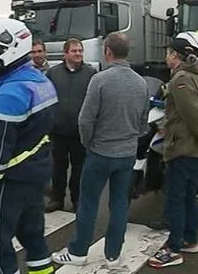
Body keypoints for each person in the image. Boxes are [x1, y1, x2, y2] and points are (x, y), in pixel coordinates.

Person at [0, 17, 58, 274]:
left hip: (10, 183)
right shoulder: (41, 81)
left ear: (9, 50)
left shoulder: (10, 93)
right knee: (34, 239)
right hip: (35, 175)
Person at [52, 32, 149, 268]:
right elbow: (143, 123)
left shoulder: (100, 80)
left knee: (88, 202)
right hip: (126, 154)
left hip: (100, 152)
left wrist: (88, 142)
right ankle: (113, 255)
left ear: (107, 51)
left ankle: (78, 252)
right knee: (119, 204)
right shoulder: (141, 83)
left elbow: (85, 120)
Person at [147, 31, 198, 269]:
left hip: (184, 148)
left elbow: (193, 114)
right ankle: (190, 239)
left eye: (168, 52)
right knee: (190, 196)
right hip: (194, 148)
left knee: (176, 199)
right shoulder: (196, 76)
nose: (166, 56)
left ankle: (173, 248)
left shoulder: (180, 79)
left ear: (176, 56)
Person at [45, 38, 96, 213]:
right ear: (65, 53)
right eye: (74, 51)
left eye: (80, 51)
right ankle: (57, 199)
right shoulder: (53, 73)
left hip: (80, 132)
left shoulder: (91, 73)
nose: (78, 54)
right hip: (57, 131)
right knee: (58, 168)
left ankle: (78, 200)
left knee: (79, 169)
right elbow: (45, 98)